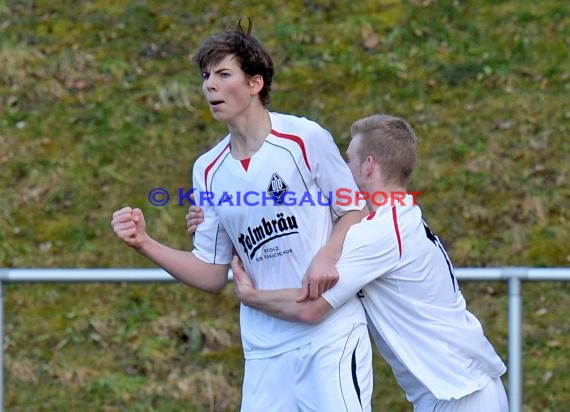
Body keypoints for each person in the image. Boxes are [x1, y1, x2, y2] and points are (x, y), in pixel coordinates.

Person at [111, 20, 373, 412]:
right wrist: (144, 243)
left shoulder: (304, 139)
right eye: (205, 76)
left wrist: (328, 253)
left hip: (329, 333)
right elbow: (212, 273)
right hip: (265, 346)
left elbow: (355, 208)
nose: (209, 86)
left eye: (222, 74)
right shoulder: (208, 169)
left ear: (255, 83)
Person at [230, 114, 509, 411]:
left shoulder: (379, 231)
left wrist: (252, 297)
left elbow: (310, 307)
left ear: (369, 166)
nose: (343, 168)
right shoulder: (400, 215)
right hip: (460, 391)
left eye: (349, 160)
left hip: (462, 394)